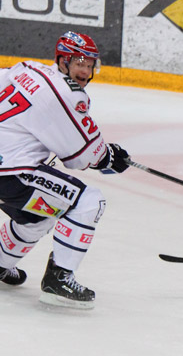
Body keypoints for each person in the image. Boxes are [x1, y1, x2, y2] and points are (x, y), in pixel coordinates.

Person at [0, 31, 132, 309]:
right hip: (11, 174)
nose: (85, 71)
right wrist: (110, 158)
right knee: (88, 201)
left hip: (7, 170)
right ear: (62, 61)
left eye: (89, 64)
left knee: (39, 215)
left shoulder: (27, 68)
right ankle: (58, 280)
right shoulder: (68, 95)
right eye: (78, 63)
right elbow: (83, 157)